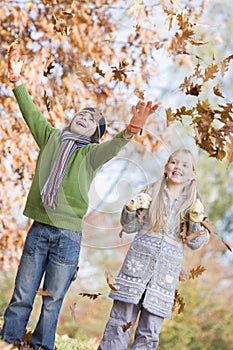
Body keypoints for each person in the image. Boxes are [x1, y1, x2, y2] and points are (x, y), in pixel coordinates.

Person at [1, 43, 158, 350]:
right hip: (39, 228)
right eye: (83, 113)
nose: (86, 116)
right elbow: (30, 112)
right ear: (72, 120)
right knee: (23, 291)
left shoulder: (91, 155)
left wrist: (130, 130)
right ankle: (9, 340)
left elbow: (112, 148)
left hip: (68, 237)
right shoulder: (50, 137)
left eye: (93, 119)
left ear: (94, 135)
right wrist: (17, 81)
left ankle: (42, 345)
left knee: (53, 297)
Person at [98, 148, 210, 350]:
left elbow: (195, 243)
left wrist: (195, 220)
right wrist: (130, 208)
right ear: (166, 167)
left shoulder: (194, 203)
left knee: (149, 333)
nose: (178, 167)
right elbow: (130, 226)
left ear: (193, 173)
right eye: (174, 162)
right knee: (119, 323)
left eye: (185, 165)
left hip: (163, 278)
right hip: (135, 270)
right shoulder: (150, 191)